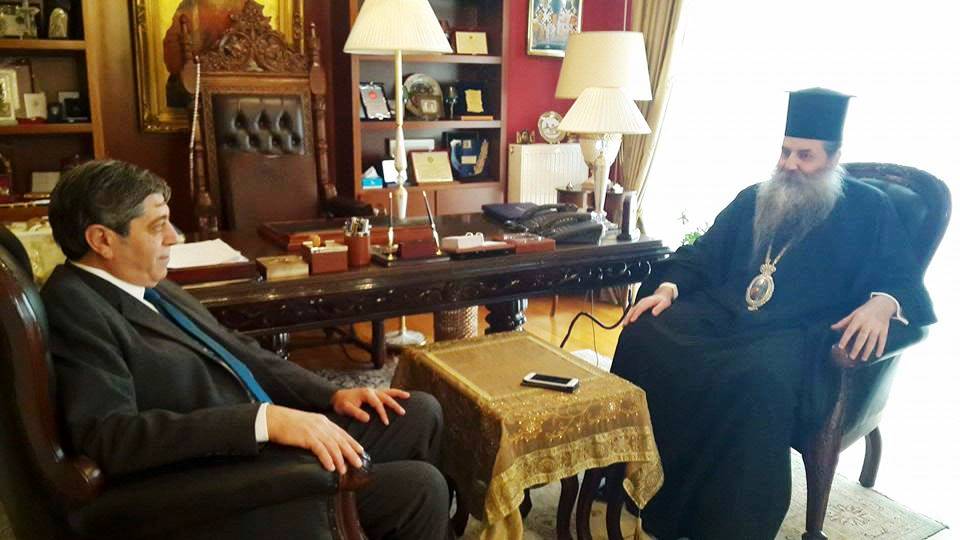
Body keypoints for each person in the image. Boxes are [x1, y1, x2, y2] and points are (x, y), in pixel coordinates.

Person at [41, 160, 450, 540]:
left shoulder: (145, 282)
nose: (173, 238)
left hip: (257, 437)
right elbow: (111, 437)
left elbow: (241, 350)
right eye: (157, 227)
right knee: (419, 488)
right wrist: (262, 421)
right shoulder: (75, 306)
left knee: (417, 412)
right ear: (102, 240)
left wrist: (331, 395)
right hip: (220, 473)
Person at [611, 88, 935, 539]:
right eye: (785, 152)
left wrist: (884, 303)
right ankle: (632, 477)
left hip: (798, 335)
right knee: (643, 334)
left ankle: (724, 523)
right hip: (727, 314)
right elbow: (703, 253)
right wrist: (668, 287)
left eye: (805, 155)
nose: (790, 164)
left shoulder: (868, 210)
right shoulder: (756, 197)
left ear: (835, 157)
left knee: (754, 377)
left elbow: (904, 280)